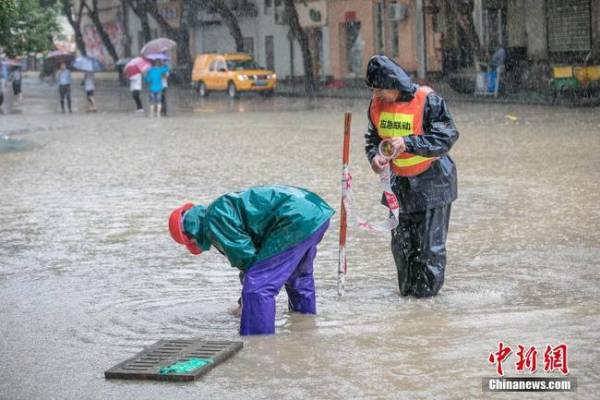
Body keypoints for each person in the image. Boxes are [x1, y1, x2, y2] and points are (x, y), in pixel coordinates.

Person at [168, 185, 334, 336]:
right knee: (298, 278)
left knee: (257, 288)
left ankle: (258, 343)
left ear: (191, 236)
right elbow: (254, 257)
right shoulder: (220, 209)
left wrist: (245, 304)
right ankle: (305, 329)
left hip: (294, 218)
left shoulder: (214, 220)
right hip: (315, 213)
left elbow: (248, 262)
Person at [364, 55, 459, 298]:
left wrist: (408, 143)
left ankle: (426, 307)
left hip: (433, 184)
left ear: (394, 83)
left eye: (380, 89)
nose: (377, 95)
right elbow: (372, 140)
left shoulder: (428, 100)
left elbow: (446, 137)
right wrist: (375, 157)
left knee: (429, 250)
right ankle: (407, 303)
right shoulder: (375, 106)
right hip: (399, 187)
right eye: (373, 90)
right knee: (402, 249)